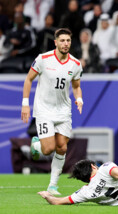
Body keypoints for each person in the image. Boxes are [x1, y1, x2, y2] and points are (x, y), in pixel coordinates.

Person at [21, 28, 83, 195]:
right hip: (44, 110)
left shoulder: (75, 64)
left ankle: (53, 186)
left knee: (62, 147)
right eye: (62, 40)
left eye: (68, 41)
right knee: (48, 149)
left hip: (63, 110)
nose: (65, 43)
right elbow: (28, 79)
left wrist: (79, 98)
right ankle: (36, 144)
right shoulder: (43, 59)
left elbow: (76, 86)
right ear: (55, 42)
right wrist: (25, 104)